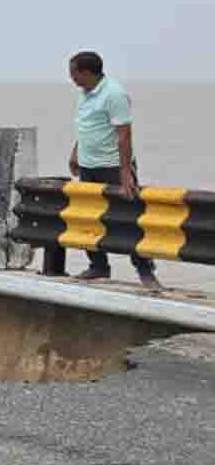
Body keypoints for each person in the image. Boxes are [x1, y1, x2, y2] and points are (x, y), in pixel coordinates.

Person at [67, 50, 162, 289]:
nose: (72, 79)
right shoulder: (84, 94)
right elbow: (87, 127)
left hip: (112, 166)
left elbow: (124, 135)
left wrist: (125, 170)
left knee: (129, 218)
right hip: (89, 166)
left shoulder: (114, 94)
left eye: (74, 73)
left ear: (87, 72)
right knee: (89, 218)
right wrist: (75, 153)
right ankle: (99, 266)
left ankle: (145, 270)